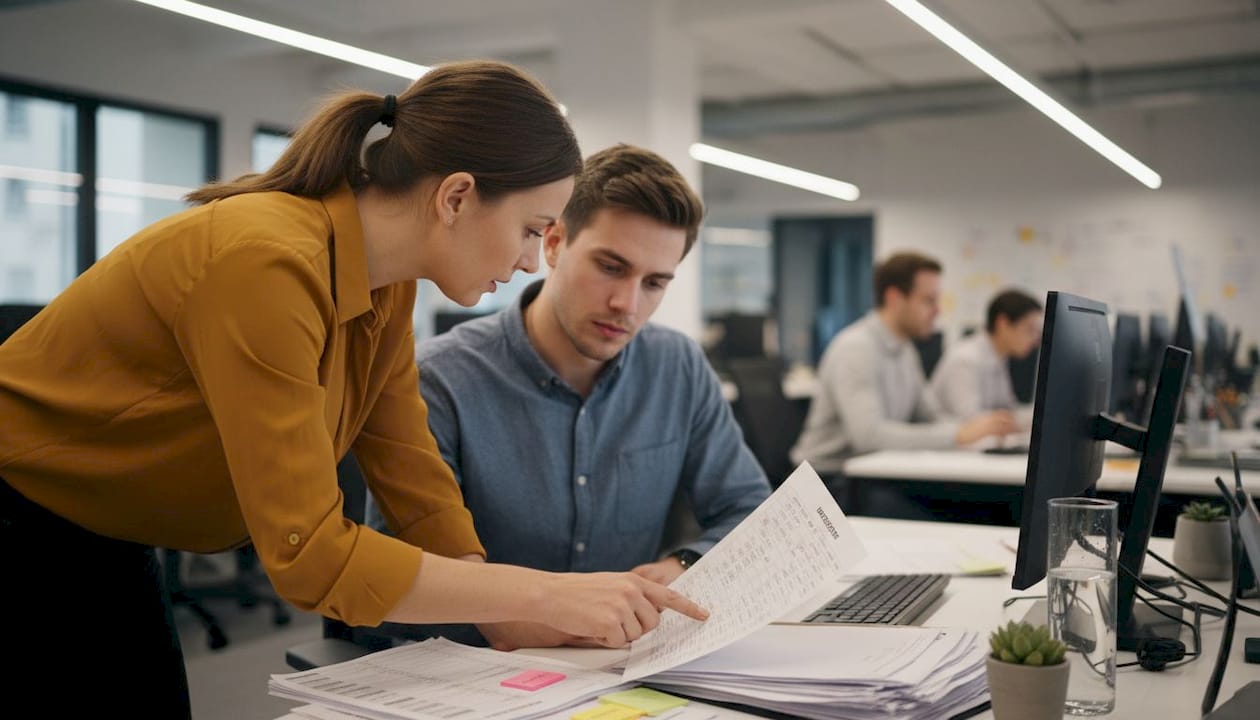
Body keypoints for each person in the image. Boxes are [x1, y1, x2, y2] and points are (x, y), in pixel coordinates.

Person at [0, 61, 705, 717]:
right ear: (457, 196)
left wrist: (504, 607)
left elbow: (410, 469)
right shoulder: (265, 261)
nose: (529, 263)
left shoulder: (383, 285)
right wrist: (547, 592)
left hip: (104, 526)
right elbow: (312, 558)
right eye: (530, 231)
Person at [367, 144, 772, 651]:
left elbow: (750, 511)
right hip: (479, 673)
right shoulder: (439, 379)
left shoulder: (678, 367)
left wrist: (683, 565)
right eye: (610, 267)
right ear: (554, 243)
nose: (627, 304)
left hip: (625, 667)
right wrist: (538, 617)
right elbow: (401, 578)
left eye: (654, 283)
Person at [791, 251, 1017, 475]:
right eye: (929, 301)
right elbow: (869, 437)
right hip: (828, 479)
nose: (938, 310)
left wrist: (976, 429)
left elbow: (930, 414)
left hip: (874, 470)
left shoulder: (905, 350)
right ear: (894, 298)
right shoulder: (856, 348)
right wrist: (958, 434)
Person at [929, 289, 1043, 422]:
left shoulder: (999, 357)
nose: (1036, 340)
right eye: (1030, 330)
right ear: (1003, 323)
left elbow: (1008, 410)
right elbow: (972, 423)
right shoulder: (965, 360)